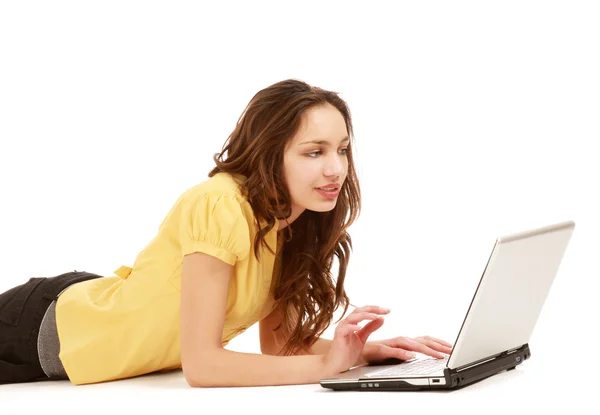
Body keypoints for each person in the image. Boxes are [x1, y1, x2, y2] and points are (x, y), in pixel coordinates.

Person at [0, 78, 452, 387]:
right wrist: (328, 367)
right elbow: (203, 365)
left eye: (342, 150)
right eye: (314, 152)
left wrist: (361, 352)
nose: (335, 168)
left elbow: (279, 344)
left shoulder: (293, 221)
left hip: (89, 321)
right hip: (43, 328)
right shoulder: (220, 204)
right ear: (270, 153)